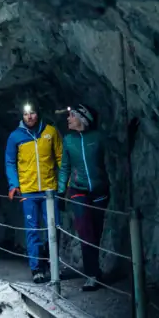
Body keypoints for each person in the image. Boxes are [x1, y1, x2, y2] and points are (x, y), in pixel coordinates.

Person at [4, 100, 63, 283]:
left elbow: (61, 158)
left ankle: (51, 261)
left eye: (32, 113)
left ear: (39, 113)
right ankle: (37, 268)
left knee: (55, 228)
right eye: (26, 114)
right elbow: (10, 162)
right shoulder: (15, 137)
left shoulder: (50, 132)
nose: (29, 117)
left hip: (49, 189)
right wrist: (14, 185)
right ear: (22, 116)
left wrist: (63, 184)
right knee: (33, 230)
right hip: (28, 191)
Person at [59, 104, 110, 291]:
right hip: (77, 190)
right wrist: (59, 192)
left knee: (96, 232)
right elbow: (64, 167)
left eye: (71, 116)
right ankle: (92, 274)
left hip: (99, 190)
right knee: (86, 232)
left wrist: (129, 136)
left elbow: (118, 149)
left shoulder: (97, 138)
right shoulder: (69, 140)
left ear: (83, 118)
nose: (68, 119)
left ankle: (95, 271)